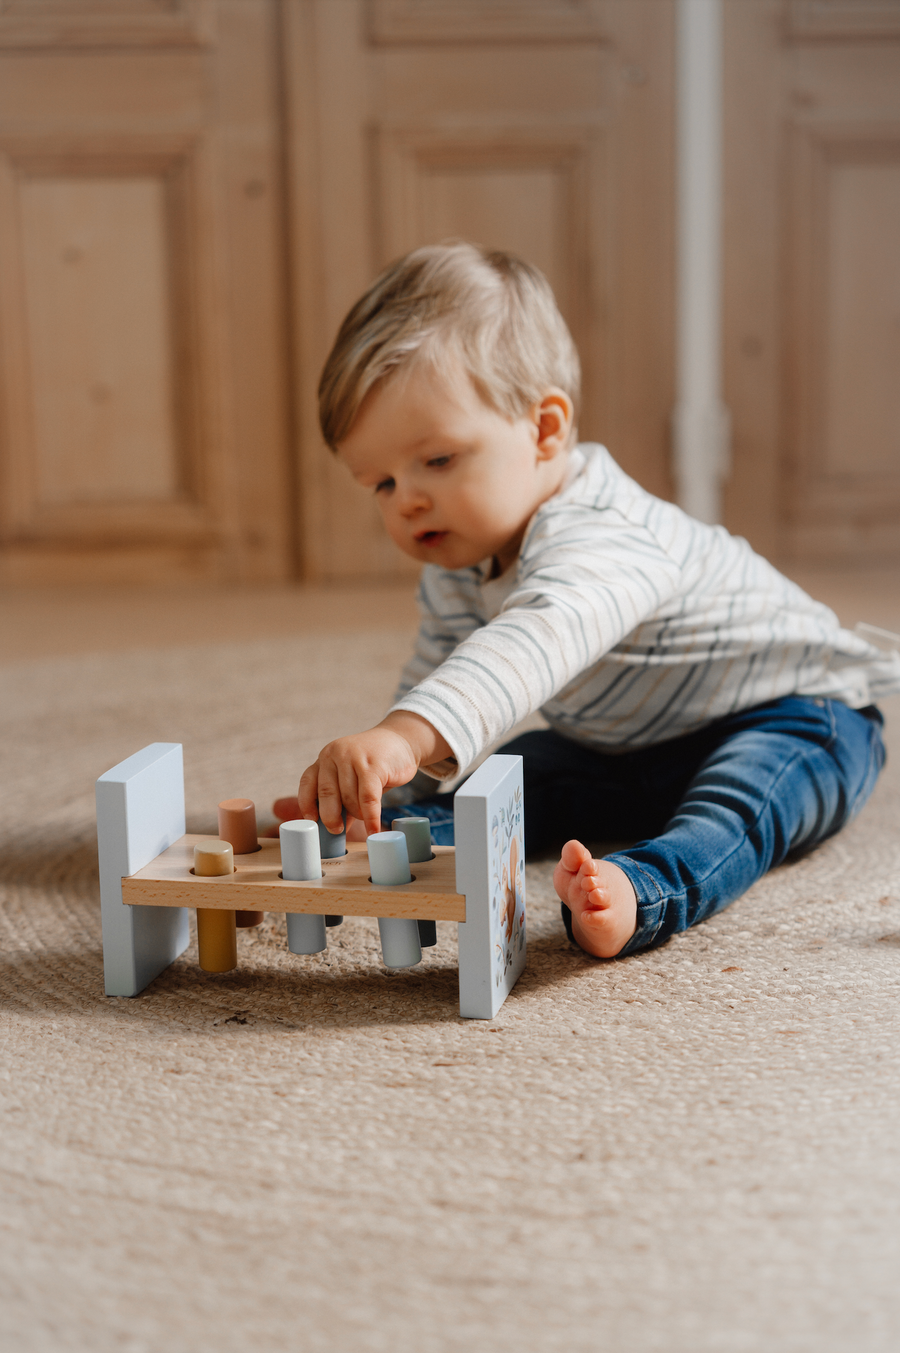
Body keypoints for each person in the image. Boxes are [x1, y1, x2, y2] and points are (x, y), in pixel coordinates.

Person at [296, 242, 898, 959]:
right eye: (382, 484)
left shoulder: (603, 534)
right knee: (524, 771)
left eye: (438, 459)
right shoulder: (458, 553)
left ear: (545, 430)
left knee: (741, 802)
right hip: (634, 743)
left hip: (801, 716)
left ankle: (643, 888)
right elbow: (442, 676)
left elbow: (529, 643)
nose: (408, 499)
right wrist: (380, 784)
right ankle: (395, 834)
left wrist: (401, 734)